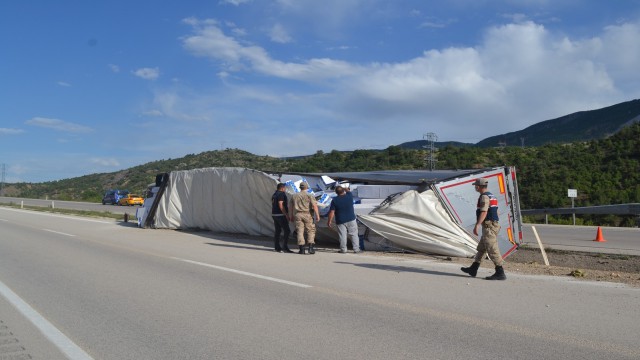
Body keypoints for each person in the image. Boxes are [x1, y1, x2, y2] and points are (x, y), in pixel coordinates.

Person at [461, 178, 506, 280]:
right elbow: (495, 211)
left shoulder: (484, 197)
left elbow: (484, 212)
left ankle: (500, 272)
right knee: (482, 248)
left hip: (489, 226)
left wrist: (477, 225)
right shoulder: (491, 195)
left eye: (475, 185)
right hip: (491, 225)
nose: (475, 187)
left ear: (479, 186)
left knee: (492, 249)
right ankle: (473, 268)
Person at [327, 185, 360, 253]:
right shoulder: (349, 196)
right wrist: (345, 188)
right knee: (354, 234)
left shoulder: (334, 200)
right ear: (343, 191)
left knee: (342, 235)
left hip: (340, 220)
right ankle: (356, 249)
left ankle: (343, 249)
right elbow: (348, 191)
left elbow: (332, 212)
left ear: (336, 193)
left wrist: (329, 221)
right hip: (351, 218)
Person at [289, 181, 320, 254]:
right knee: (310, 230)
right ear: (306, 187)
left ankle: (301, 249)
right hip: (307, 214)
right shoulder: (310, 195)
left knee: (300, 231)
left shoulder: (294, 195)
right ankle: (310, 247)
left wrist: (291, 216)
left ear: (300, 187)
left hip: (298, 214)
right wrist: (317, 215)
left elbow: (290, 207)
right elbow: (314, 206)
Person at [271, 183, 293, 253]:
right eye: (285, 188)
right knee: (287, 230)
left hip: (274, 214)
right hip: (280, 215)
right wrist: (286, 214)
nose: (285, 189)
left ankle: (277, 247)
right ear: (282, 188)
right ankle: (285, 247)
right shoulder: (281, 194)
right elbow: (280, 204)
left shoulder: (274, 194)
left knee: (278, 231)